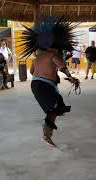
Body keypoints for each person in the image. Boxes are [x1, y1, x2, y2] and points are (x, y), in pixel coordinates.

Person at [20, 17, 79, 147]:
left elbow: (31, 72)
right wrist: (71, 78)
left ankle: (47, 134)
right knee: (54, 108)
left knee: (56, 107)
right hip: (44, 85)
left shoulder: (38, 57)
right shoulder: (53, 55)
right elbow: (63, 67)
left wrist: (46, 73)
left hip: (36, 85)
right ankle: (46, 136)